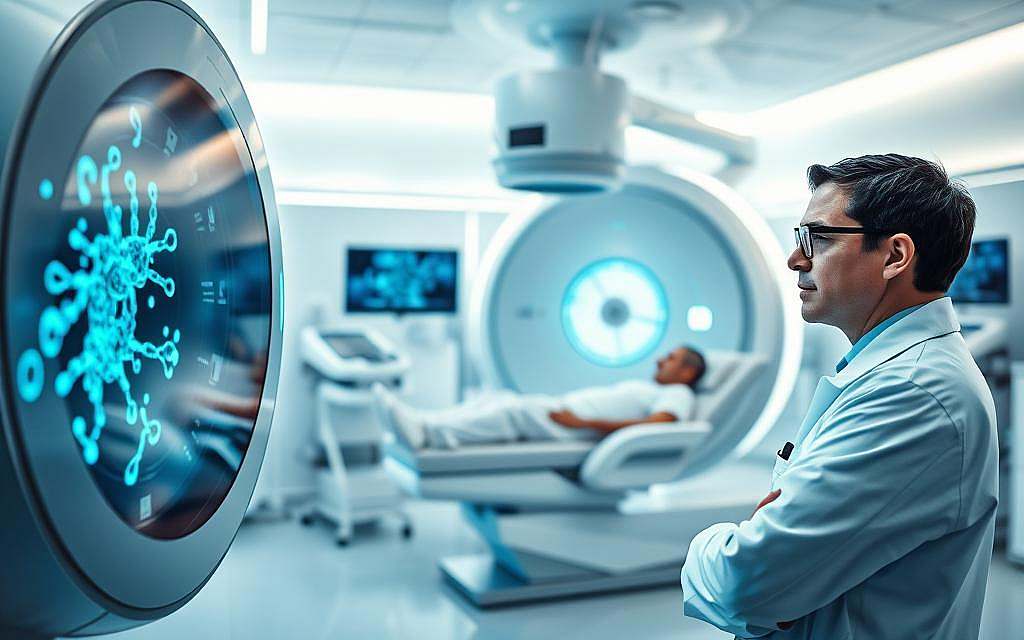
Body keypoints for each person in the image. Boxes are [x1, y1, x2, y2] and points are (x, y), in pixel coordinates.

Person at [680, 154, 998, 639]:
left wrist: (708, 544)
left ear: (895, 256)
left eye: (820, 238)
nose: (795, 259)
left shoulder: (912, 392)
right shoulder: (895, 374)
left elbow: (742, 583)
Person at [374, 346, 706, 450]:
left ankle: (430, 435)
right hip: (567, 415)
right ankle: (424, 421)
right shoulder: (657, 388)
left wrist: (584, 422)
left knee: (512, 410)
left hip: (576, 429)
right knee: (496, 398)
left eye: (672, 358)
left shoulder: (677, 394)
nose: (660, 360)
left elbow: (657, 425)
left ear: (688, 373)